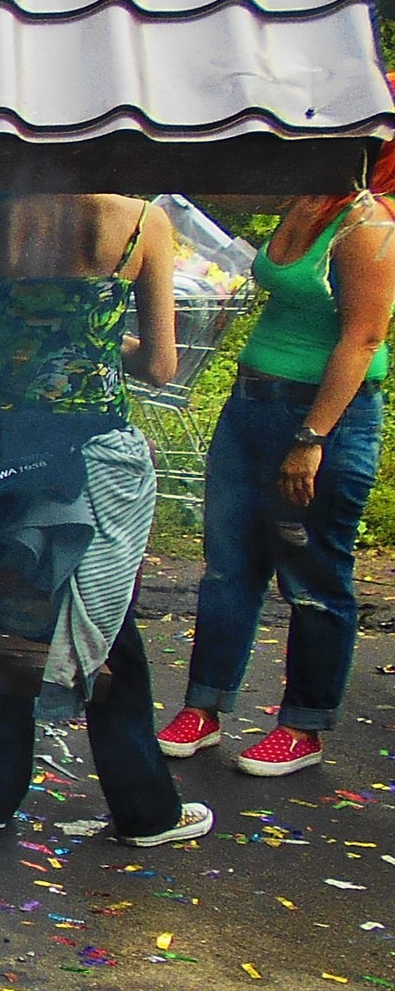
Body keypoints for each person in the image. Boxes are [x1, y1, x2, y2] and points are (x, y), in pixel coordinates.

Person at [0, 192, 211, 845]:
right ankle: (145, 809)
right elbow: (160, 365)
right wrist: (93, 340)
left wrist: (13, 341)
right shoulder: (140, 223)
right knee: (104, 622)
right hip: (90, 456)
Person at [158, 138, 395, 776]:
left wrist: (311, 440)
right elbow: (229, 185)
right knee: (229, 566)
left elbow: (364, 336)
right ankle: (204, 708)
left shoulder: (368, 228)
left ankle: (304, 726)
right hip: (250, 405)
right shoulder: (305, 201)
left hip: (322, 417)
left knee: (314, 579)